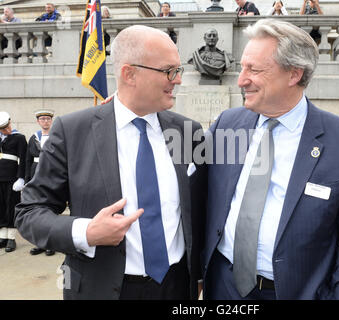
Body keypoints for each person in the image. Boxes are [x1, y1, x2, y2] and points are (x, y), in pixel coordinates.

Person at [15, 25, 205, 300]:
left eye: (178, 71)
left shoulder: (189, 132)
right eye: (168, 71)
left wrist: (198, 273)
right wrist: (86, 231)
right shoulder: (72, 131)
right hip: (103, 289)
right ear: (130, 73)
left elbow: (200, 211)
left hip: (177, 287)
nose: (177, 80)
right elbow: (30, 212)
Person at [201, 19, 339, 300]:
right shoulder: (227, 124)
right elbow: (184, 173)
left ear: (294, 74)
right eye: (242, 67)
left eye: (254, 70)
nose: (241, 79)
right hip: (223, 287)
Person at [25, 110, 55, 256]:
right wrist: (25, 180)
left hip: (52, 177)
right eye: (42, 119)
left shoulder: (57, 137)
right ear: (38, 121)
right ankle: (39, 242)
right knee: (36, 210)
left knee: (50, 210)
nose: (45, 121)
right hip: (35, 177)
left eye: (48, 119)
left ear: (51, 121)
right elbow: (27, 160)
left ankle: (50, 243)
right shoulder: (33, 138)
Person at [0, 112, 27, 253]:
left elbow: (23, 159)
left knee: (11, 206)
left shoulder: (19, 138)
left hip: (12, 178)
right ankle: (2, 236)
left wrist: (21, 177)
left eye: (8, 126)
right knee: (1, 206)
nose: (7, 130)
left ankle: (11, 237)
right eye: (3, 129)